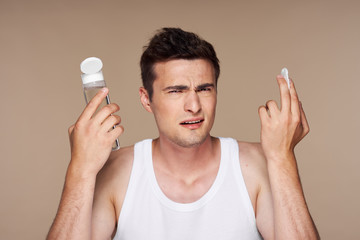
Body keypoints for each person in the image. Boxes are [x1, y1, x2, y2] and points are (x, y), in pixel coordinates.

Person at [47, 28, 320, 239]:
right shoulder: (117, 173)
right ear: (146, 100)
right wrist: (80, 171)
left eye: (204, 89)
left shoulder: (257, 166)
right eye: (176, 91)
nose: (194, 106)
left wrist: (283, 158)